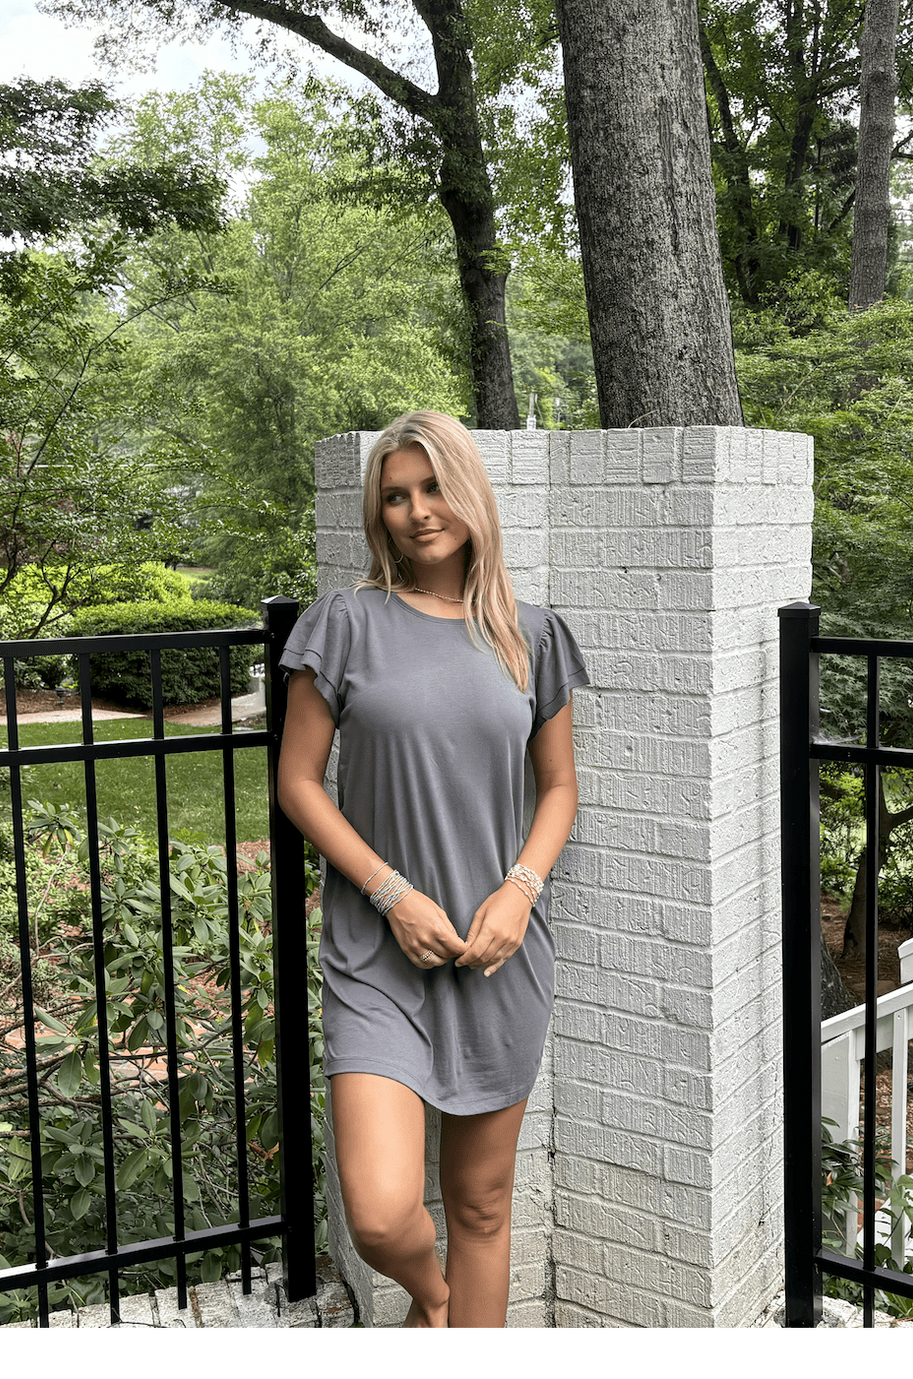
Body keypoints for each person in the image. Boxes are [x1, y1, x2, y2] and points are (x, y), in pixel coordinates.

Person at [276, 410, 588, 1330]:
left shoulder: (531, 634)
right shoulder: (345, 623)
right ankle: (438, 1300)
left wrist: (519, 892)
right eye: (396, 496)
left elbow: (559, 787)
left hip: (497, 958)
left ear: (469, 493)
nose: (417, 510)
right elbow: (297, 783)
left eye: (433, 487)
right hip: (378, 954)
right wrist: (390, 892)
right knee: (380, 1213)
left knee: (482, 1208)